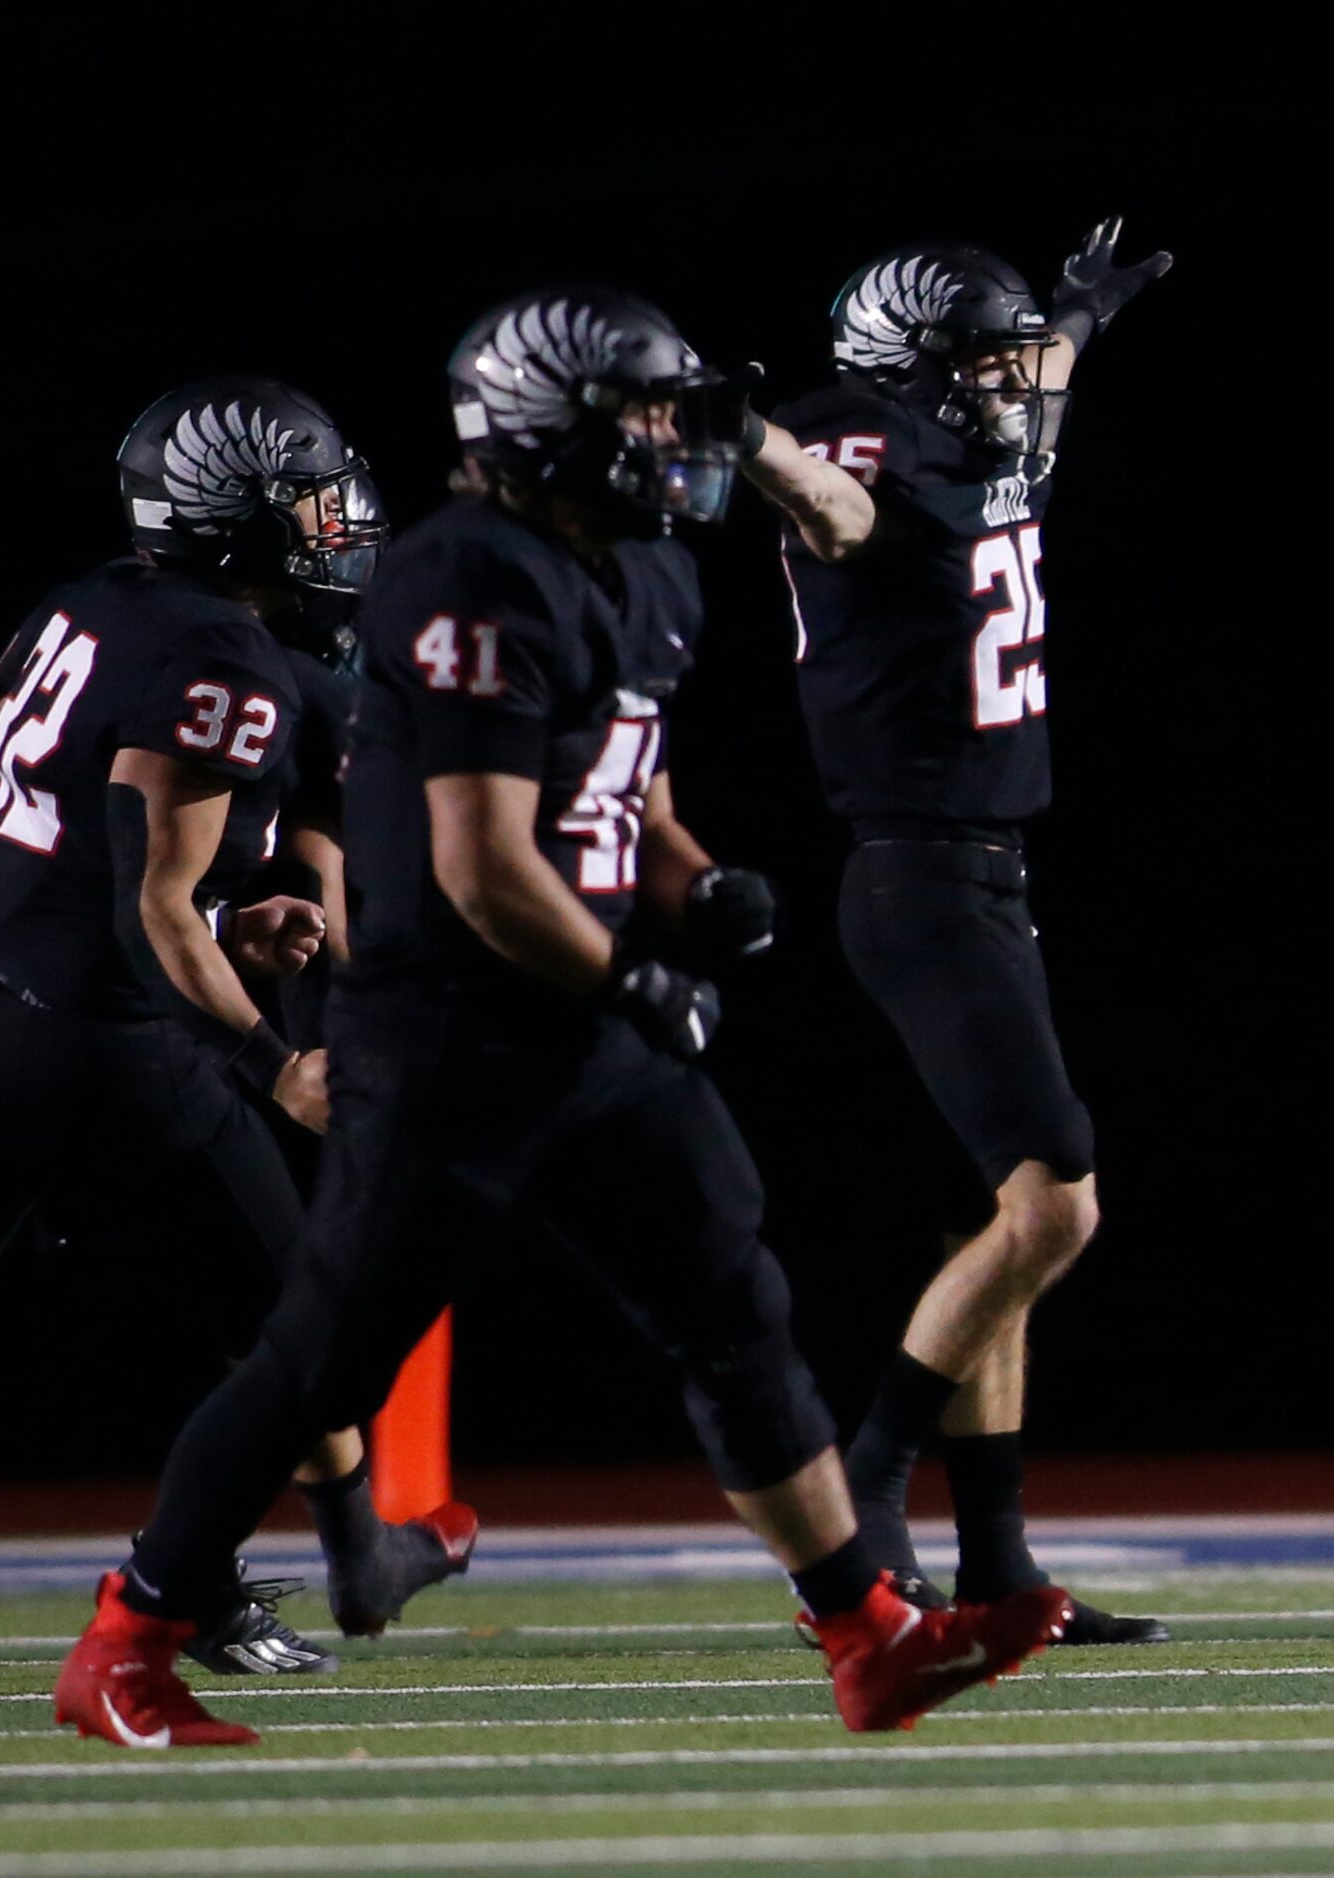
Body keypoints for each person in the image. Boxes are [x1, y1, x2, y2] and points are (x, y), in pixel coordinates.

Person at [53, 289, 1074, 1751]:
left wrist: (697, 882)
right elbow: (479, 861)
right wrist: (632, 976)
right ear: (553, 437)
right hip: (451, 1031)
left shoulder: (644, 564)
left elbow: (629, 787)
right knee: (325, 1353)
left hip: (581, 1019)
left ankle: (866, 1629)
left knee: (736, 1304)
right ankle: (126, 1639)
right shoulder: (462, 578)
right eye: (645, 419)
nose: (675, 443)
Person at [0, 376, 476, 1675]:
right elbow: (153, 902)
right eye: (303, 495)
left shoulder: (98, 601)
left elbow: (1, 764)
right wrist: (274, 1060)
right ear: (233, 517)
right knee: (302, 1326)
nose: (333, 516)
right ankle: (233, 1580)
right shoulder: (241, 668)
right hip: (112, 1040)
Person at [738, 223, 1170, 1643]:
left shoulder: (967, 437)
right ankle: (862, 1494)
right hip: (919, 874)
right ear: (912, 376)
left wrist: (1074, 322)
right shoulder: (854, 451)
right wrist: (748, 438)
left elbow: (1025, 419)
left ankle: (994, 1567)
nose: (1016, 387)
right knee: (1058, 1201)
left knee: (991, 1227)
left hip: (979, 867)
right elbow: (834, 510)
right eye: (984, 366)